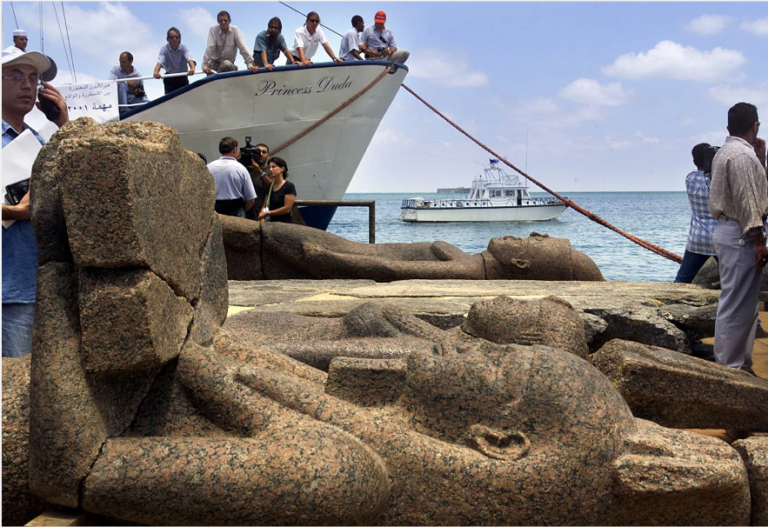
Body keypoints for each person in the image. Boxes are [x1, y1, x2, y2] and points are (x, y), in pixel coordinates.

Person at [2, 49, 69, 358]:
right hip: (7, 291)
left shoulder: (39, 142)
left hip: (40, 286)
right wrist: (12, 211)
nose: (27, 85)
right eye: (16, 76)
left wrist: (63, 122)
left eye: (33, 78)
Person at [709, 102, 768, 375]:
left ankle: (738, 365)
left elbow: (751, 191)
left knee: (742, 305)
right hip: (741, 234)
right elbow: (749, 201)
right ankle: (730, 368)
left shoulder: (728, 152)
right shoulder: (742, 156)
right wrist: (758, 239)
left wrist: (762, 159)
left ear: (729, 127)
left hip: (730, 230)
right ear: (755, 125)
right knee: (737, 305)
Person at [674, 143, 718, 283]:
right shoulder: (719, 181)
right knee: (735, 280)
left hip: (697, 239)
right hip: (719, 240)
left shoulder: (690, 178)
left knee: (683, 279)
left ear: (694, 161)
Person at [207, 136, 256, 218]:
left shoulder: (208, 167)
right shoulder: (241, 169)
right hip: (235, 210)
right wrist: (242, 211)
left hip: (214, 210)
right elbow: (251, 199)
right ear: (235, 149)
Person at [153, 27, 195, 94]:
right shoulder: (164, 49)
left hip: (182, 77)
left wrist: (192, 69)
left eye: (176, 37)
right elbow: (160, 61)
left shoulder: (184, 48)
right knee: (170, 100)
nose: (174, 39)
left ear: (179, 38)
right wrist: (156, 72)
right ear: (167, 39)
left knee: (185, 98)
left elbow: (189, 58)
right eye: (172, 37)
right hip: (169, 78)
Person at [258, 156, 296, 223]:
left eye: (273, 167)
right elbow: (265, 205)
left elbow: (287, 208)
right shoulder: (270, 186)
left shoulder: (289, 186)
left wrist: (268, 213)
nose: (270, 169)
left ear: (282, 169)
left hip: (284, 224)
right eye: (270, 167)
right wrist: (262, 217)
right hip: (271, 223)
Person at [246, 142, 272, 220]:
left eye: (264, 152)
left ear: (268, 156)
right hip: (248, 211)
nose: (260, 154)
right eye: (257, 152)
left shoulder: (270, 171)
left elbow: (272, 186)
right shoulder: (246, 170)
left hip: (263, 211)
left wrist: (259, 171)